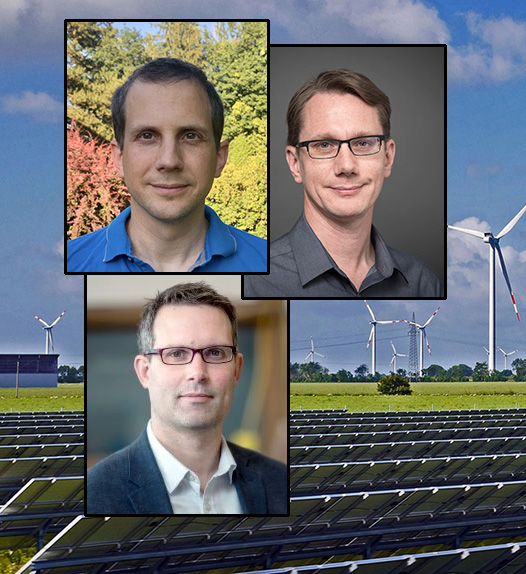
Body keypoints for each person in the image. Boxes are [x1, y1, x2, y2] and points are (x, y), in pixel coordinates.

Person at [86, 282, 285, 515]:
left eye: (215, 353)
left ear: (237, 370)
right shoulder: (94, 494)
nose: (198, 373)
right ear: (145, 372)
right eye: (176, 354)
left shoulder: (279, 482)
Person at [243, 69, 443, 297]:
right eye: (324, 145)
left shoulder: (423, 284)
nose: (346, 166)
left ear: (387, 158)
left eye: (363, 144)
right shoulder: (253, 282)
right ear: (295, 163)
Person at [67, 58, 267, 272]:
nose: (169, 161)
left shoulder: (270, 264)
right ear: (118, 158)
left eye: (190, 136)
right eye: (147, 136)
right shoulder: (72, 262)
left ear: (219, 157)